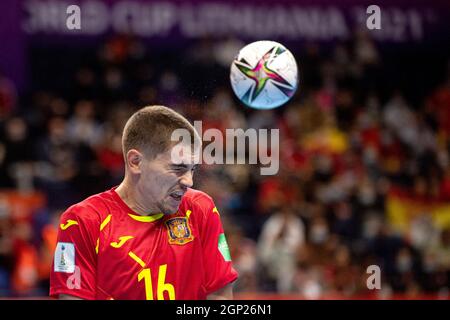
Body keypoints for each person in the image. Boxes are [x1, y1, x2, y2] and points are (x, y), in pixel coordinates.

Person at [49, 105, 238, 300]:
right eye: (178, 168)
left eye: (192, 169)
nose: (188, 181)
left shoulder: (200, 208)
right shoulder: (82, 221)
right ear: (135, 162)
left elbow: (220, 296)